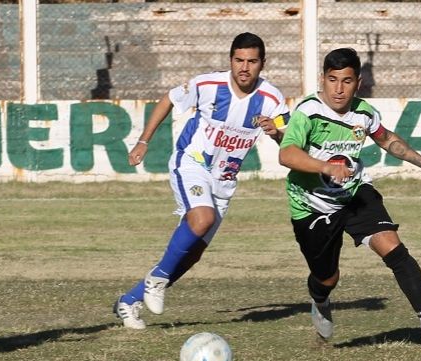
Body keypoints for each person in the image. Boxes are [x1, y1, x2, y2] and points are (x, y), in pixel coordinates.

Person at [278, 48, 421, 349]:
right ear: (322, 79)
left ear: (358, 82)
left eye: (347, 81)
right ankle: (321, 299)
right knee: (326, 278)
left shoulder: (364, 113)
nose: (339, 89)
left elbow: (387, 139)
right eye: (332, 80)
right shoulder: (308, 112)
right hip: (310, 206)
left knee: (394, 249)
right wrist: (326, 166)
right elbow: (286, 154)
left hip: (354, 195)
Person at [113, 32, 290, 329]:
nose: (244, 68)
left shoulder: (272, 98)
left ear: (262, 64)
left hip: (224, 182)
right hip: (191, 163)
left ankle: (129, 301)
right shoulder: (208, 85)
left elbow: (288, 140)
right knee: (202, 219)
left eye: (252, 61)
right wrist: (144, 141)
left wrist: (275, 132)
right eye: (238, 60)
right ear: (230, 60)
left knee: (193, 254)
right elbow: (169, 99)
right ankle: (156, 279)